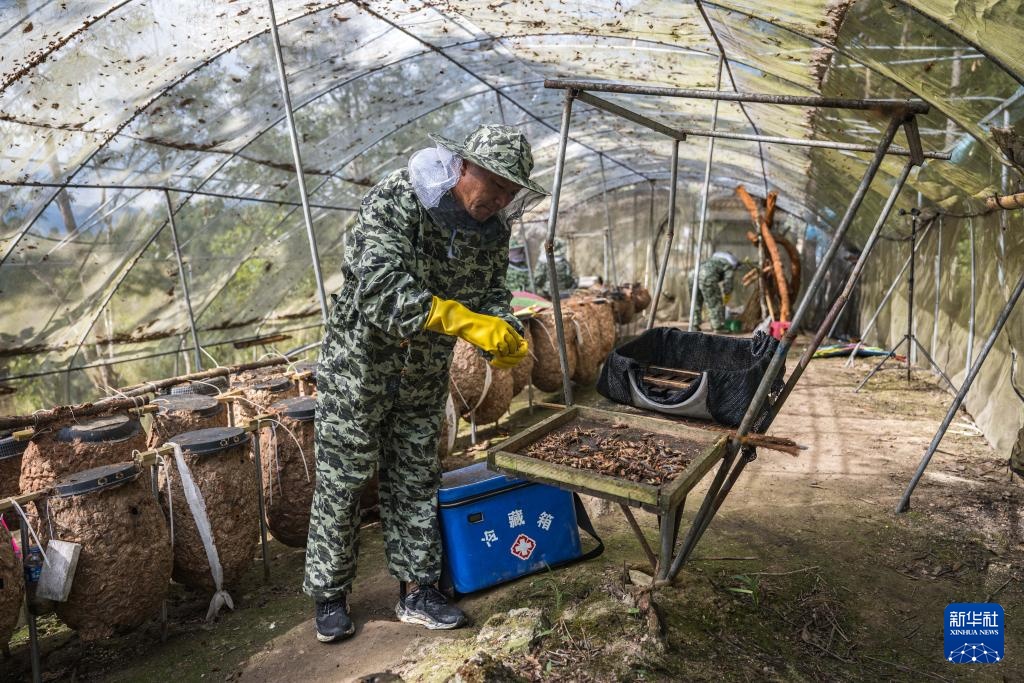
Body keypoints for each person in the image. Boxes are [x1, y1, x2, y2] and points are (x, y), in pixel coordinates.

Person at [304, 124, 546, 643]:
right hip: (361, 368)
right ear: (463, 167)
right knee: (344, 479)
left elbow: (491, 292)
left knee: (415, 474)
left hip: (422, 375)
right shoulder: (399, 199)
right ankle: (329, 594)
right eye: (495, 183)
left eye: (511, 191)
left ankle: (418, 591)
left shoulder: (492, 229)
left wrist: (502, 328)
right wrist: (461, 320)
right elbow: (380, 290)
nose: (501, 198)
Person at [693, 250, 738, 331]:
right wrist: (727, 293)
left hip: (693, 274)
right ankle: (718, 327)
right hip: (707, 276)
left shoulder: (715, 258)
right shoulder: (729, 264)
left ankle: (694, 325)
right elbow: (728, 281)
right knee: (715, 302)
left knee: (696, 301)